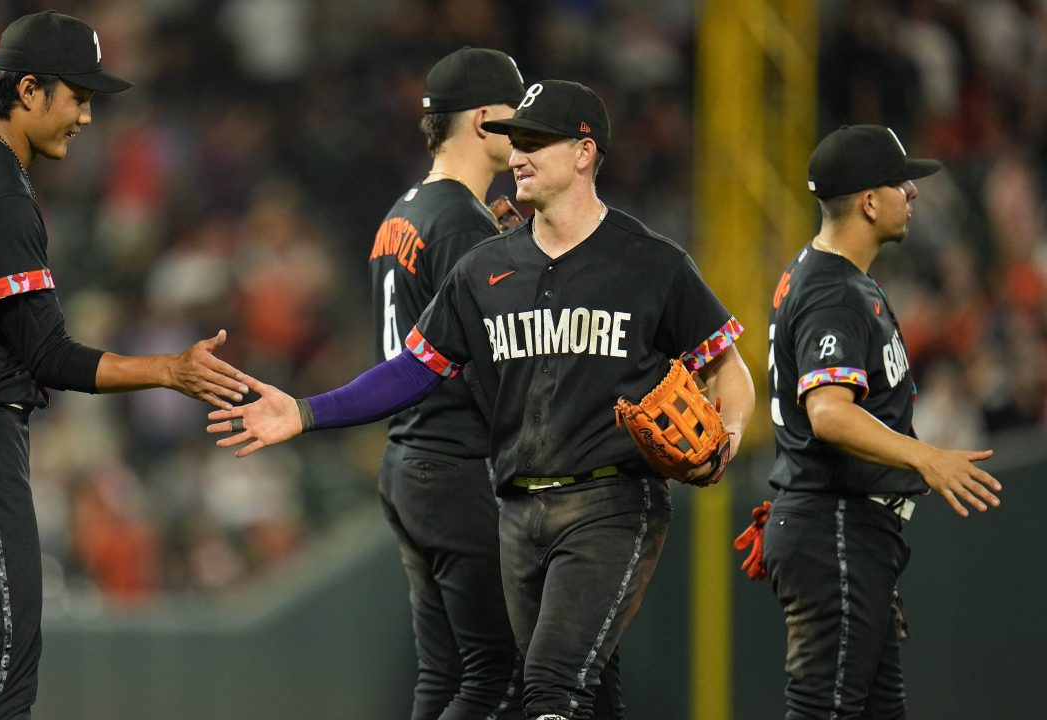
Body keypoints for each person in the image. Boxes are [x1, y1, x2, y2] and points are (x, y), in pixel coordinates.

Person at [209, 80, 755, 720]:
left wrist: (731, 432)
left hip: (611, 504)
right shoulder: (485, 268)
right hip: (519, 513)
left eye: (534, 142)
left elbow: (727, 367)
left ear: (584, 152)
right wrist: (305, 411)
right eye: (512, 141)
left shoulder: (650, 262)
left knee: (548, 689)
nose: (517, 155)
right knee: (590, 695)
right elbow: (412, 370)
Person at [0, 11, 248, 719]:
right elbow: (46, 354)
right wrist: (168, 370)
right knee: (1, 659)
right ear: (29, 90)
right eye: (77, 95)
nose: (87, 116)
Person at [753, 124, 1004, 719]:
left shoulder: (834, 278)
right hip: (833, 525)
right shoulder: (832, 290)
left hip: (845, 529)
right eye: (901, 182)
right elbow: (829, 413)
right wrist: (926, 457)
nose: (912, 194)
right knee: (825, 709)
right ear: (869, 201)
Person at [369, 47, 525, 720]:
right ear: (485, 119)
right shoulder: (462, 219)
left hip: (407, 461)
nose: (526, 135)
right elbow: (497, 358)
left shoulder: (403, 212)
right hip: (456, 462)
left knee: (443, 674)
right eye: (518, 118)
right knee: (495, 674)